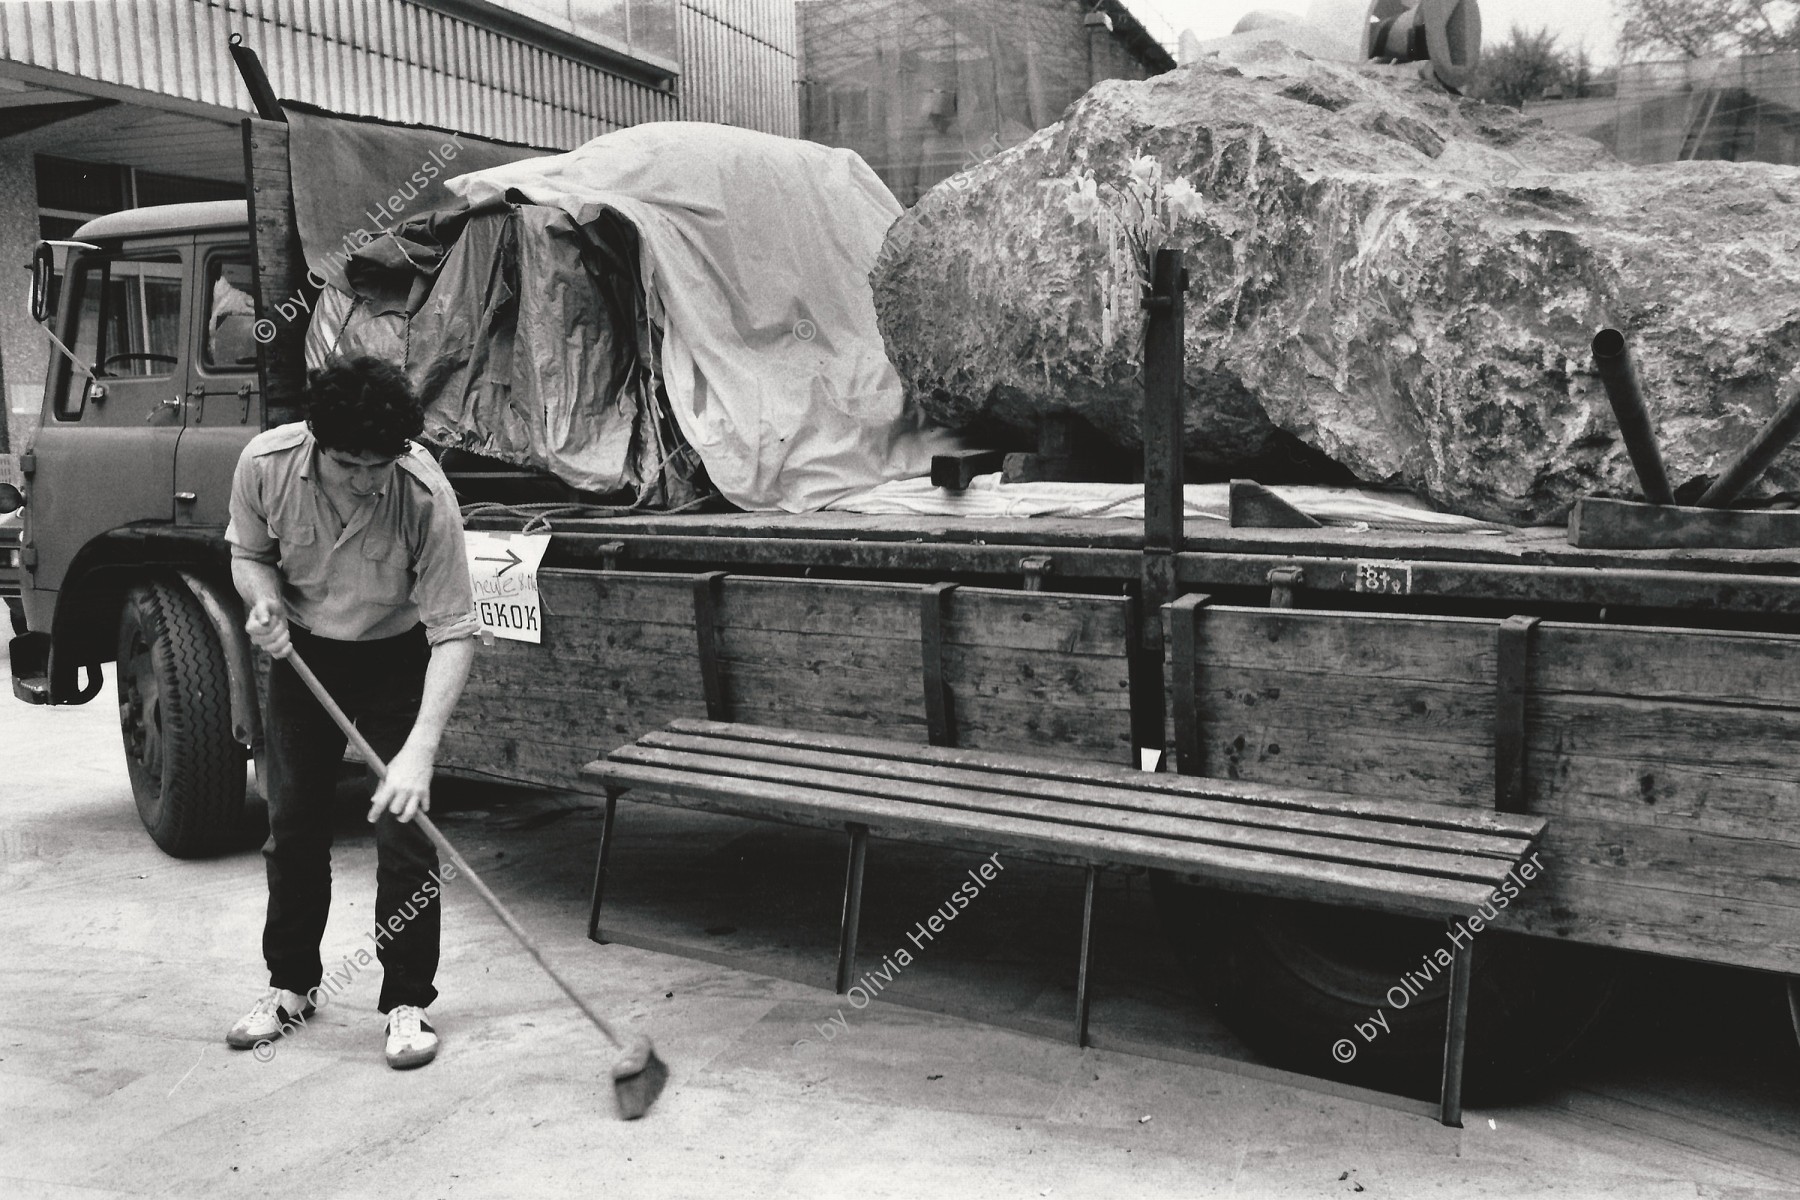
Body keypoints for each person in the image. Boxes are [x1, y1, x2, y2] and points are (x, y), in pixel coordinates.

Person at [224, 355, 479, 1069]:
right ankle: (291, 987)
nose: (368, 481)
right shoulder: (265, 465)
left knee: (404, 830)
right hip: (305, 656)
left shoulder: (424, 495)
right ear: (315, 440)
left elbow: (455, 631)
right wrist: (263, 602)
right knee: (294, 824)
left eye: (382, 464)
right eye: (349, 466)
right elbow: (248, 553)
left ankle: (407, 1002)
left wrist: (419, 751)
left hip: (397, 654)